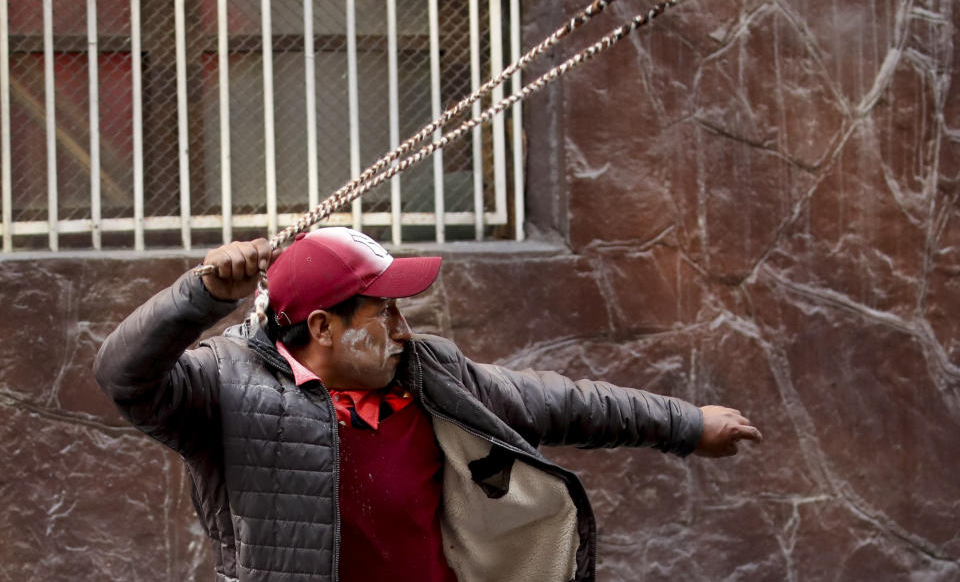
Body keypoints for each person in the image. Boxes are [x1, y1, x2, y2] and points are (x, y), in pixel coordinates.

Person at [94, 227, 762, 582]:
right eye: (383, 312)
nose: (402, 328)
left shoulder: (429, 371)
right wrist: (200, 294)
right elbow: (125, 376)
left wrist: (686, 425)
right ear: (322, 326)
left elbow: (567, 403)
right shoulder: (225, 388)